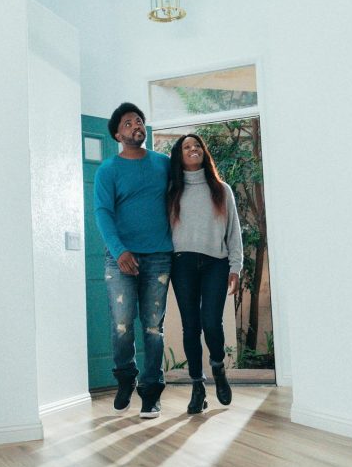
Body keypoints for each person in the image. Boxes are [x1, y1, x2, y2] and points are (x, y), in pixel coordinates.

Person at [94, 102, 173, 419]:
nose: (135, 126)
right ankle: (126, 379)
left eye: (139, 121)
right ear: (117, 133)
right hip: (120, 259)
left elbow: (187, 190)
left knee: (153, 328)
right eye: (128, 123)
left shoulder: (164, 164)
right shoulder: (108, 170)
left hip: (159, 257)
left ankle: (151, 392)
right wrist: (120, 250)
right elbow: (102, 213)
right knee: (122, 325)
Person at [167, 133, 243, 414]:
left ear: (204, 152)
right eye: (187, 147)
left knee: (211, 323)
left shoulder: (222, 190)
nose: (193, 149)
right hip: (182, 263)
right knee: (191, 326)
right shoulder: (172, 190)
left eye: (197, 145)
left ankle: (218, 367)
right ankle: (198, 386)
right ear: (180, 155)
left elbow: (234, 232)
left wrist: (236, 266)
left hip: (215, 263)